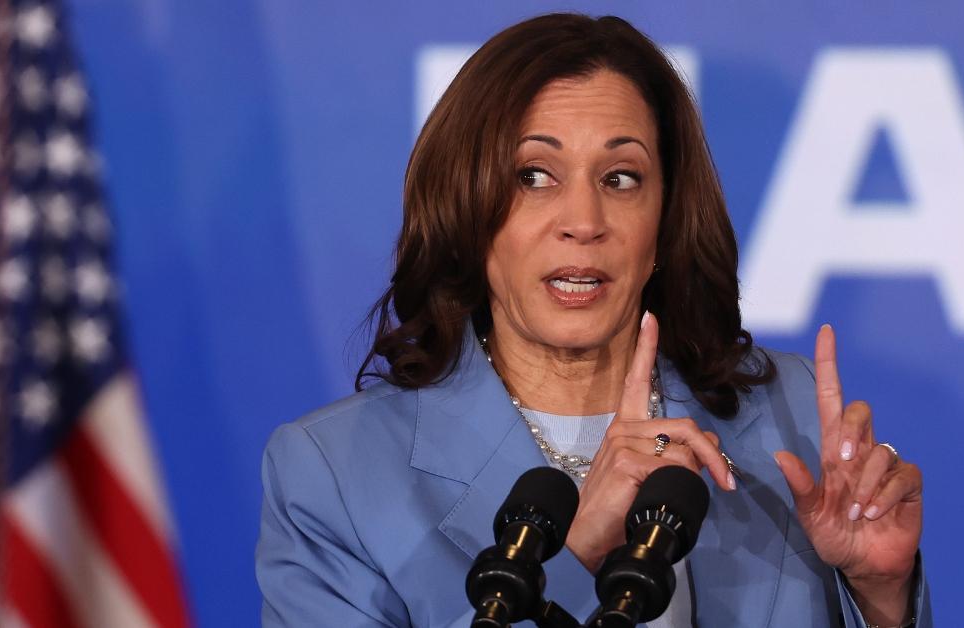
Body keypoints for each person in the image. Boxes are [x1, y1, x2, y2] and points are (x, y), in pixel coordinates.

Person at [256, 13, 929, 628]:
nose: (583, 222)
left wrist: (879, 597)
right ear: (467, 208)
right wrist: (571, 557)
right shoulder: (334, 477)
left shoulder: (790, 422)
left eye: (621, 178)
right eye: (534, 176)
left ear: (666, 221)